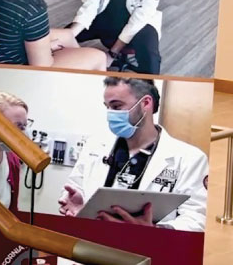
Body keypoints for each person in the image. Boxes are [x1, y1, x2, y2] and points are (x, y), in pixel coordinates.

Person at [57, 77, 207, 231]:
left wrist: (155, 231)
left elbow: (197, 218)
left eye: (116, 106)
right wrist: (81, 205)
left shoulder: (189, 159)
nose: (110, 114)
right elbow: (75, 186)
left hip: (148, 249)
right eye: (107, 107)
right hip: (94, 240)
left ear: (146, 103)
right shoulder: (94, 146)